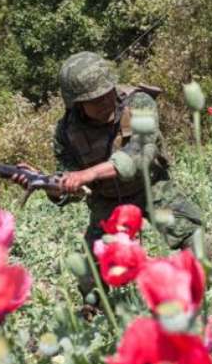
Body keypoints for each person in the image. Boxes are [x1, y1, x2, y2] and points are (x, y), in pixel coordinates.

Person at [12, 51, 202, 300]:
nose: (104, 102)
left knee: (197, 238)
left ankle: (194, 300)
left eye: (107, 93)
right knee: (89, 279)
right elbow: (70, 187)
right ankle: (103, 322)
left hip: (152, 188)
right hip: (107, 202)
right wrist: (46, 184)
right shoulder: (66, 132)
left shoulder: (140, 103)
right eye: (94, 99)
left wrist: (86, 174)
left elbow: (140, 153)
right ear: (77, 103)